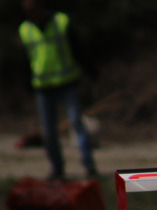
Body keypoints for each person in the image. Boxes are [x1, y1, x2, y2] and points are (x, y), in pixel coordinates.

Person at [19, 0, 98, 179]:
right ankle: (57, 169)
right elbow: (26, 60)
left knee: (76, 122)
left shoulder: (61, 22)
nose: (30, 12)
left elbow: (78, 49)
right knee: (49, 131)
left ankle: (89, 165)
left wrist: (92, 72)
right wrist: (25, 84)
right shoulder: (25, 30)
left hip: (67, 82)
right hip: (43, 87)